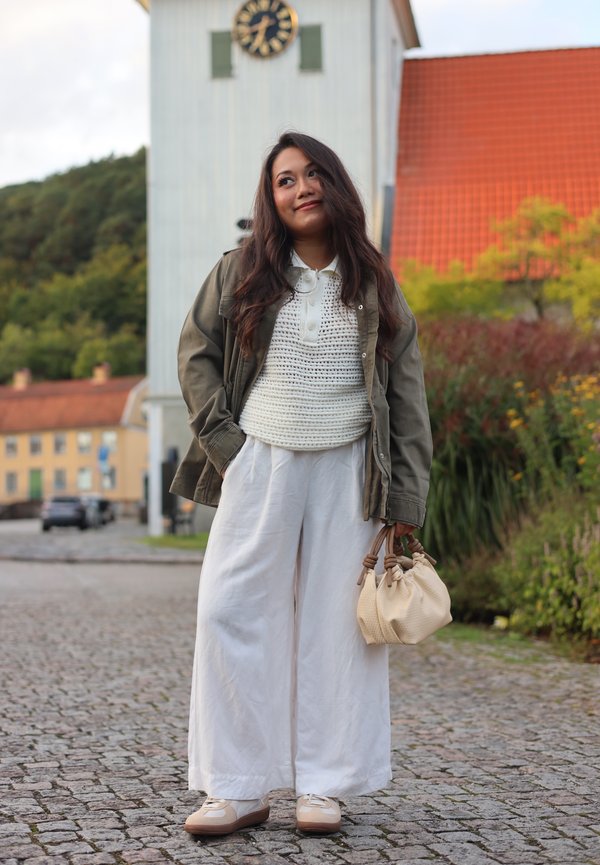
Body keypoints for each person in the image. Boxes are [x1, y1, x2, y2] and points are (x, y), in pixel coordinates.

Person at [170, 131, 432, 836]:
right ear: (272, 199)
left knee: (334, 628)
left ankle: (324, 784)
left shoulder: (373, 280)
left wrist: (404, 500)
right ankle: (235, 786)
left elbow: (407, 395)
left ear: (336, 185)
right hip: (261, 463)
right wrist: (230, 446)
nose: (301, 186)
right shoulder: (242, 272)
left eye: (313, 173)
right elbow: (197, 353)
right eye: (286, 179)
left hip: (349, 469)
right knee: (228, 611)